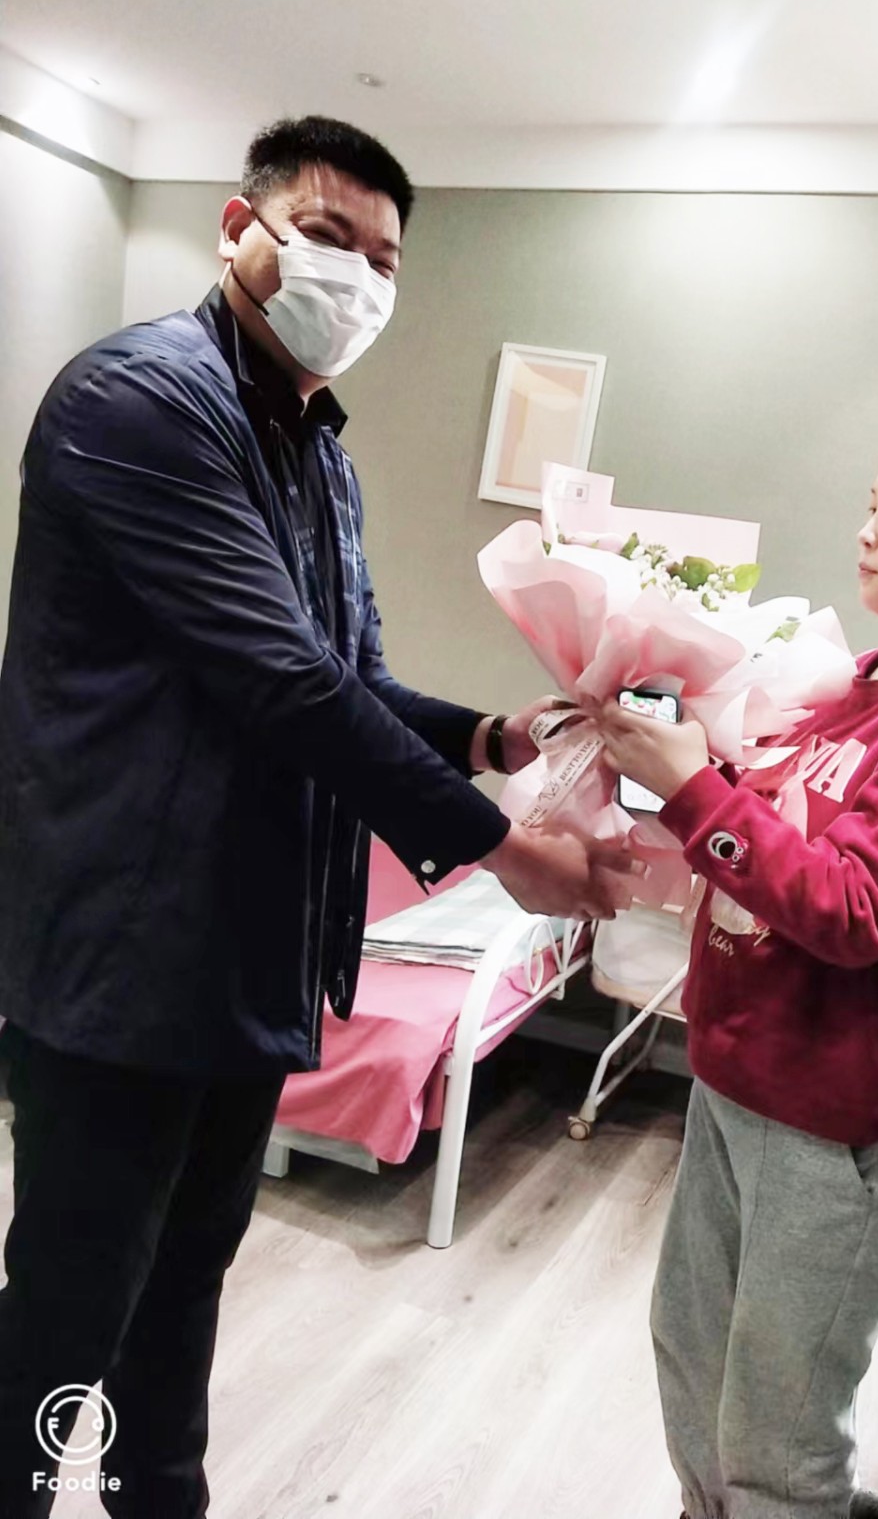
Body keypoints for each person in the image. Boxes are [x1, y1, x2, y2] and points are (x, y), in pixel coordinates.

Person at [0, 114, 628, 1518]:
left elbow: (349, 676)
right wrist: (501, 849)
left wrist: (488, 739)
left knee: (186, 1282)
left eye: (384, 261)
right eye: (329, 237)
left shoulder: (319, 455)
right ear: (242, 228)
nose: (358, 278)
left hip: (249, 960)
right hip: (123, 963)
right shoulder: (142, 402)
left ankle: (159, 1498)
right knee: (68, 1312)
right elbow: (281, 681)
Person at [596, 405, 878, 1519]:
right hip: (735, 1082)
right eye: (871, 503)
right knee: (691, 1374)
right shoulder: (851, 683)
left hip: (835, 1128)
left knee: (778, 1445)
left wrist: (694, 790)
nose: (866, 530)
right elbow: (770, 845)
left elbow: (855, 909)